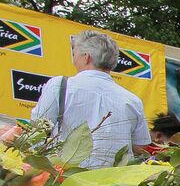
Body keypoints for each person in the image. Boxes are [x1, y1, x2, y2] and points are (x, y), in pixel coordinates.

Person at [31, 30, 150, 167]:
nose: (73, 58)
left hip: (66, 178)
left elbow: (36, 132)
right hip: (114, 183)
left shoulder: (60, 85)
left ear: (86, 57)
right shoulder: (133, 100)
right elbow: (140, 147)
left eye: (74, 53)